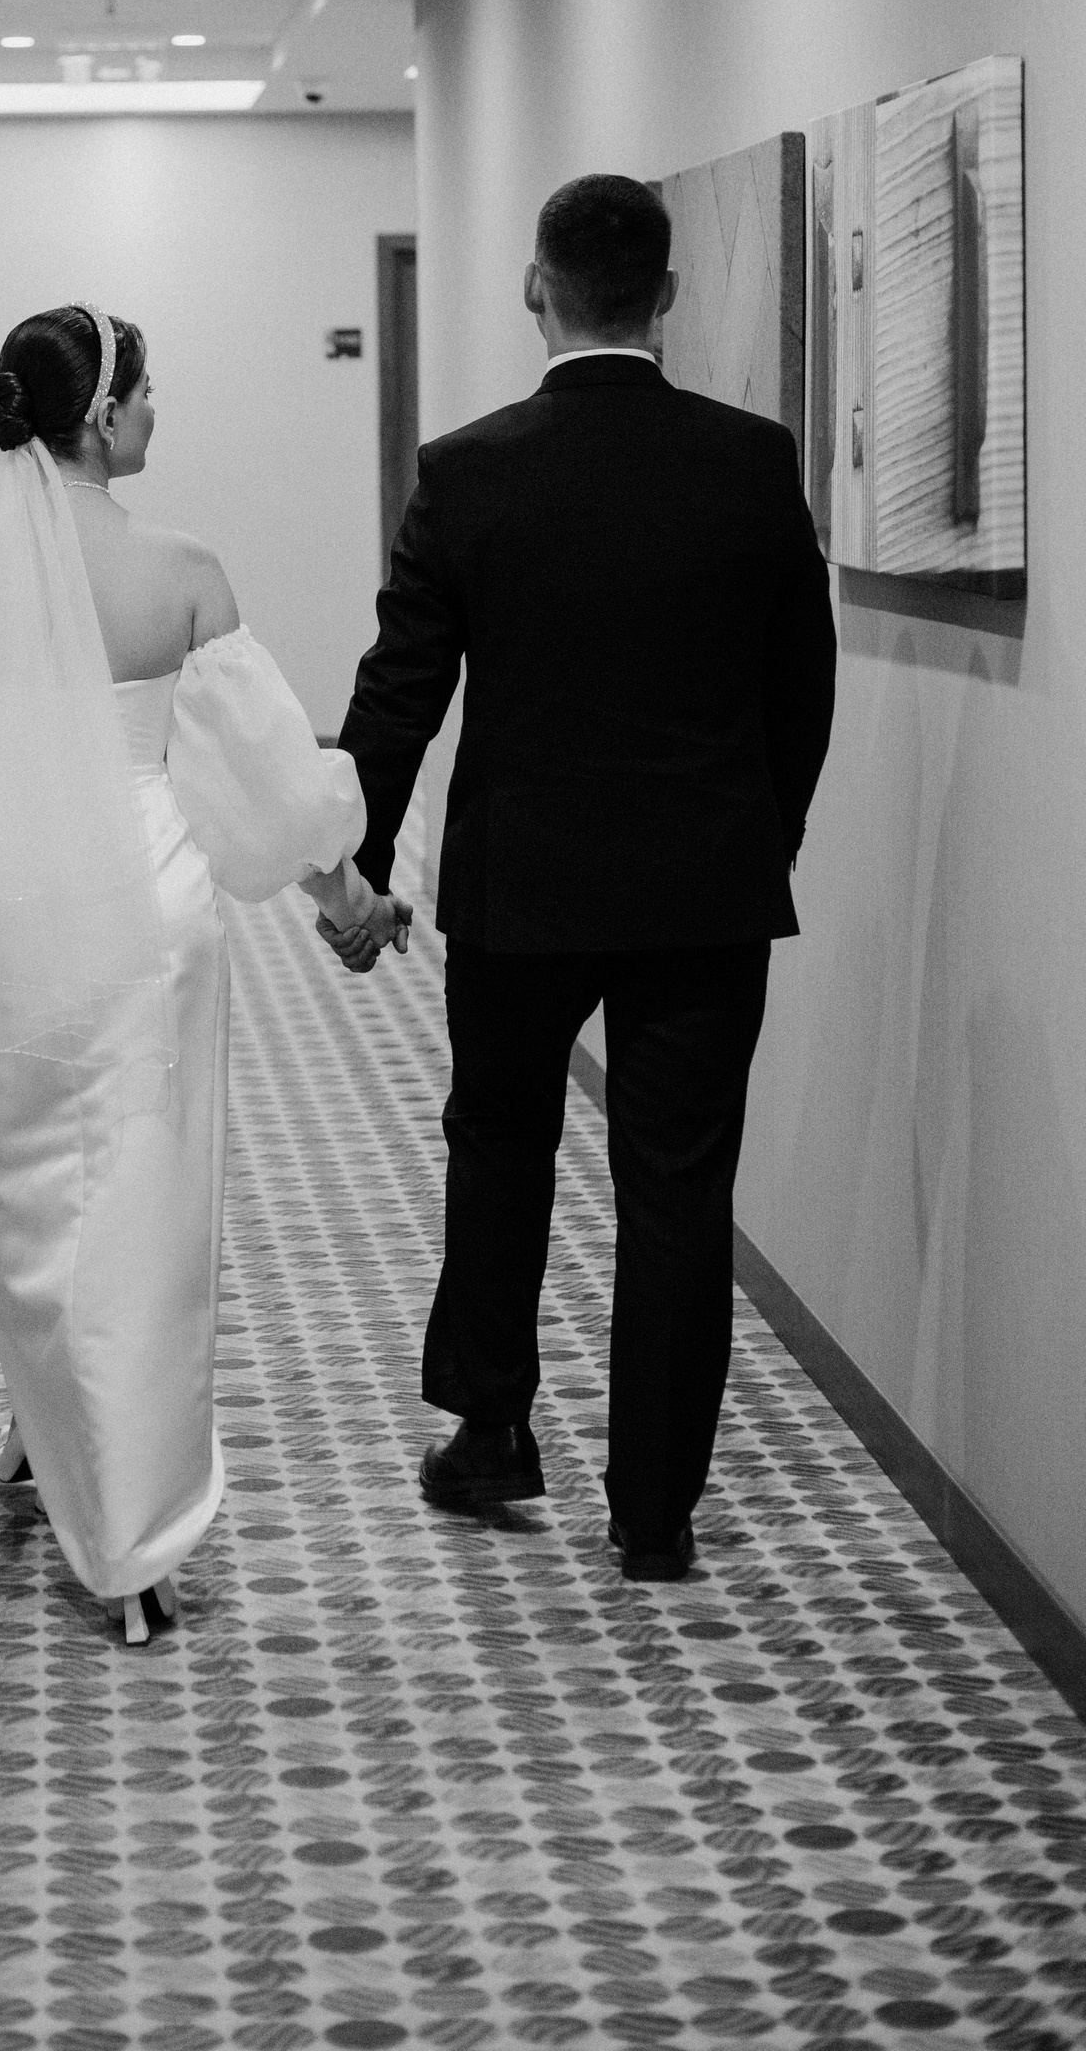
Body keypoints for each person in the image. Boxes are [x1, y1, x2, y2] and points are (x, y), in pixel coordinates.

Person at [0, 305, 392, 1644]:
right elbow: (260, 785)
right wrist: (349, 899)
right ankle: (131, 1531)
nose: (154, 413)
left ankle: (62, 1446)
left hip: (1, 926)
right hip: (149, 924)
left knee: (32, 1211)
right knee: (144, 1220)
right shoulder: (182, 574)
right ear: (103, 416)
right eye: (145, 392)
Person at [336, 174, 836, 1579]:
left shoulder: (468, 470)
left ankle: (493, 1429)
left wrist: (356, 869)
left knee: (501, 1142)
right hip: (705, 889)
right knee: (680, 1185)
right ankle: (656, 1512)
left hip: (525, 886)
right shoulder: (750, 460)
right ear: (667, 295)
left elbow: (401, 689)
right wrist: (765, 835)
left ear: (533, 290)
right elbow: (803, 682)